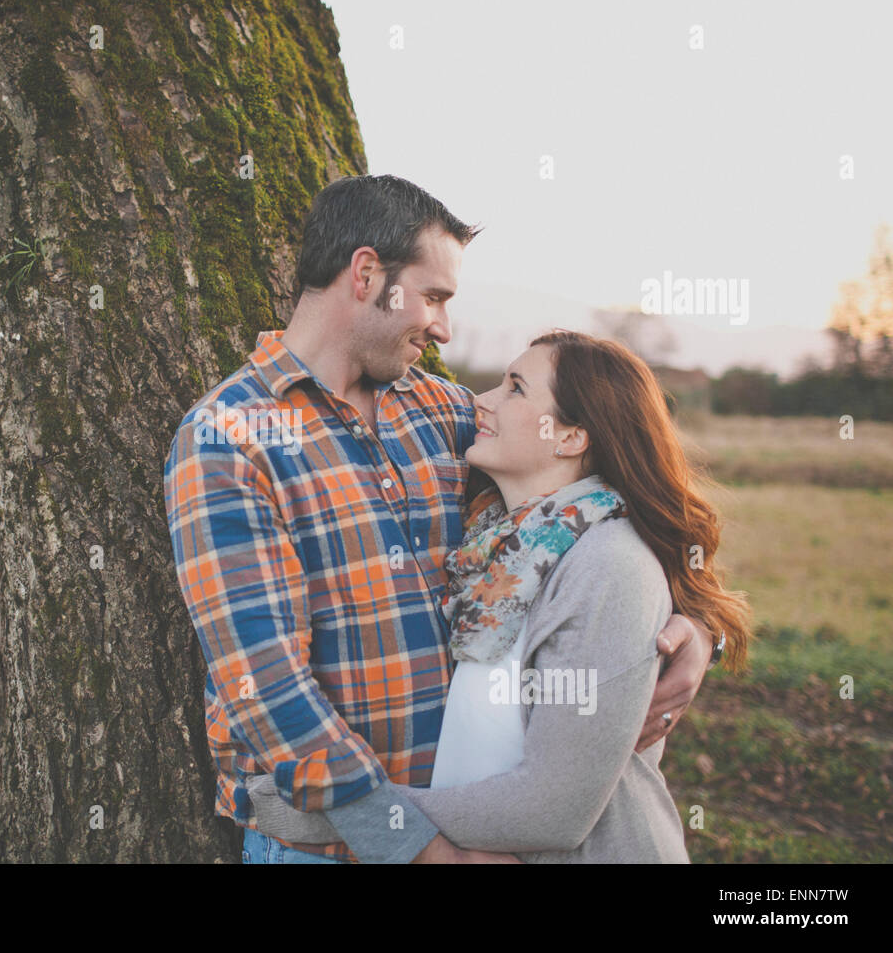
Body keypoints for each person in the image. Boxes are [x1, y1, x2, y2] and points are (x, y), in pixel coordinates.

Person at [163, 175, 721, 865]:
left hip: (475, 824)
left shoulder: (442, 411)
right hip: (328, 848)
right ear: (367, 274)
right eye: (434, 297)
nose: (444, 327)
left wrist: (690, 628)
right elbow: (265, 682)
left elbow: (601, 498)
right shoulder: (230, 436)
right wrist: (417, 845)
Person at [246, 331, 752, 861]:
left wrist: (340, 815)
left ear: (572, 437)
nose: (481, 401)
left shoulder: (607, 565)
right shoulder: (500, 547)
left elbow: (553, 810)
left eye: (515, 388)